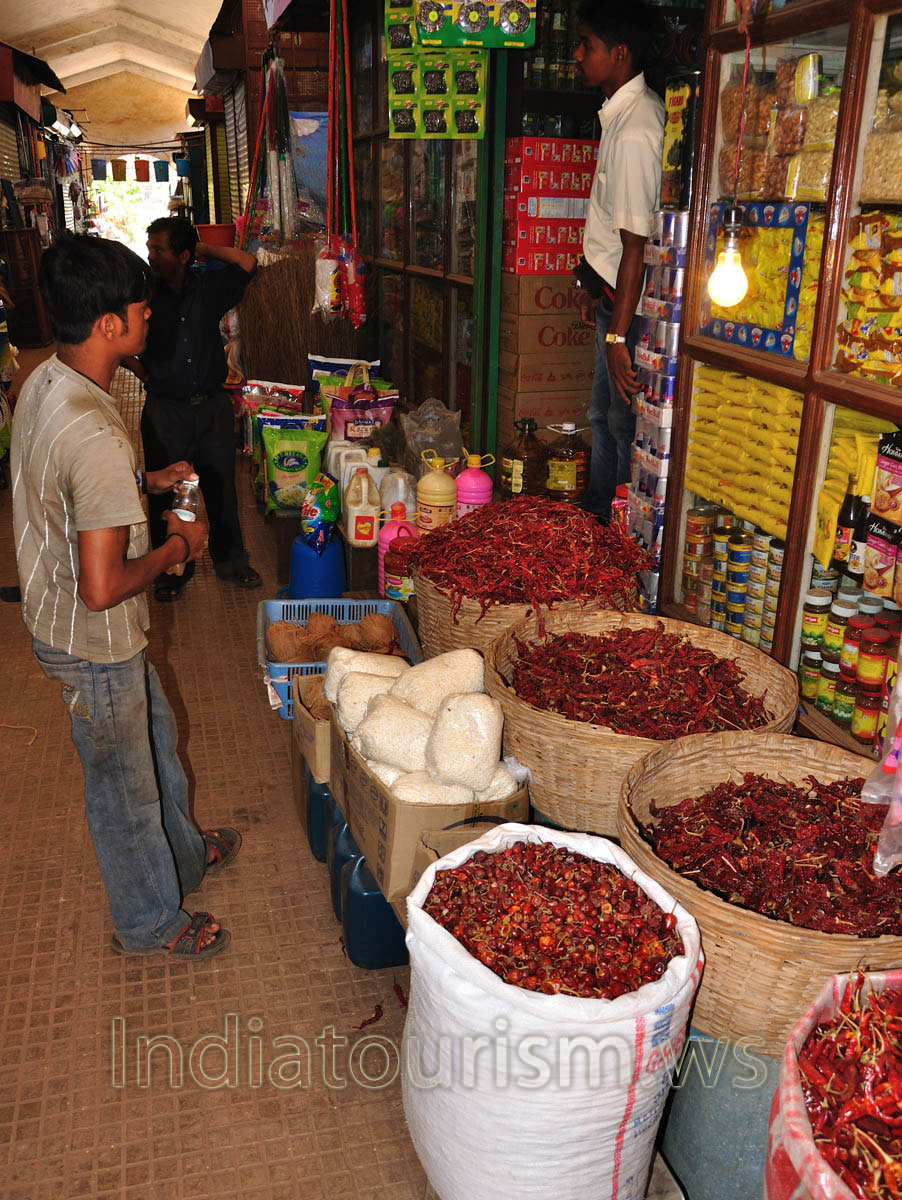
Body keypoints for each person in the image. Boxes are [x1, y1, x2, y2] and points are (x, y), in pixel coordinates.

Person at [11, 233, 240, 959]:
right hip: (90, 639)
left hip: (70, 618)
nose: (150, 319)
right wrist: (178, 547)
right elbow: (103, 585)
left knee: (156, 744)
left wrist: (145, 485)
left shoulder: (46, 380)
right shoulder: (95, 433)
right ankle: (148, 921)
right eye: (142, 310)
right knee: (123, 787)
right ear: (108, 325)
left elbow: (69, 488)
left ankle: (181, 855)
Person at [125, 217, 260, 600]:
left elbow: (247, 262)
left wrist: (202, 248)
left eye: (159, 249)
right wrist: (144, 374)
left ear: (183, 256)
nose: (150, 255)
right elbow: (116, 338)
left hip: (212, 407)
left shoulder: (209, 287)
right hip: (165, 411)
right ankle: (171, 570)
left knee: (221, 488)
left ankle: (231, 561)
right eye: (150, 247)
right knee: (166, 495)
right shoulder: (143, 293)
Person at [573, 2, 665, 520]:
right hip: (612, 298)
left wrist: (617, 337)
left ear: (620, 53)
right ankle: (597, 520)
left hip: (627, 312)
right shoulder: (619, 116)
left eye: (588, 45)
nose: (579, 56)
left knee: (620, 422)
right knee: (604, 417)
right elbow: (612, 229)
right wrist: (595, 290)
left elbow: (636, 245)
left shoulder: (634, 129)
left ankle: (609, 527)